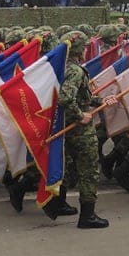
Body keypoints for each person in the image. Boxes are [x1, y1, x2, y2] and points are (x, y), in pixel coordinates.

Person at [50, 31, 116, 228]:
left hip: (64, 127)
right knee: (89, 171)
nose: (87, 50)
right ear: (79, 50)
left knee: (66, 167)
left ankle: (57, 204)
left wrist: (100, 101)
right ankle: (87, 216)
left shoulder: (62, 66)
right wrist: (81, 115)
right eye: (85, 47)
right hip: (79, 130)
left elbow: (80, 97)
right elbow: (65, 99)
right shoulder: (75, 71)